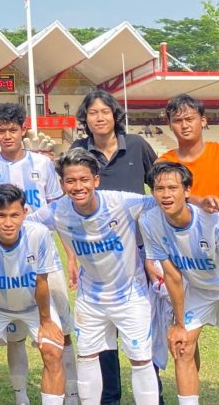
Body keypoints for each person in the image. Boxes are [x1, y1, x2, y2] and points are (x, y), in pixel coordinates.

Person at [0, 102, 79, 404]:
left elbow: (59, 212)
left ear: (23, 130)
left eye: (13, 129)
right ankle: (21, 396)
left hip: (44, 257)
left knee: (60, 330)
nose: (7, 136)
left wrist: (71, 255)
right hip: (5, 259)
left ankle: (71, 393)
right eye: (1, 131)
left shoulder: (42, 164)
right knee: (14, 331)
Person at [139, 161, 219, 405]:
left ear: (187, 191)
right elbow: (172, 276)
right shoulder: (149, 221)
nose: (166, 195)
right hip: (199, 286)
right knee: (182, 346)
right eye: (159, 189)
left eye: (172, 188)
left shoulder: (213, 222)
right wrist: (179, 324)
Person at [45, 148, 166, 405]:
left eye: (84, 179)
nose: (78, 187)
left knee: (141, 360)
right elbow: (18, 221)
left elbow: (163, 201)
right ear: (62, 184)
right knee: (87, 357)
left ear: (96, 180)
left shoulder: (120, 202)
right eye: (70, 181)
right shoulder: (57, 211)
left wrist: (201, 201)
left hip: (131, 295)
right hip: (90, 299)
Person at [69, 90, 157, 405]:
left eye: (105, 111)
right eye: (93, 112)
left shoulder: (136, 145)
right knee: (102, 335)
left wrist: (155, 251)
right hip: (97, 256)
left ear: (115, 115)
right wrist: (72, 257)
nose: (99, 118)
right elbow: (68, 205)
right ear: (85, 118)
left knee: (141, 330)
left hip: (138, 254)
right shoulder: (78, 150)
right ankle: (109, 397)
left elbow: (159, 188)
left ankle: (153, 395)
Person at [0, 184, 68, 405]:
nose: (8, 223)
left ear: (25, 212)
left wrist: (46, 321)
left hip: (34, 307)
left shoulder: (39, 234)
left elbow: (41, 281)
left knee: (53, 351)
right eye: (1, 215)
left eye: (14, 215)